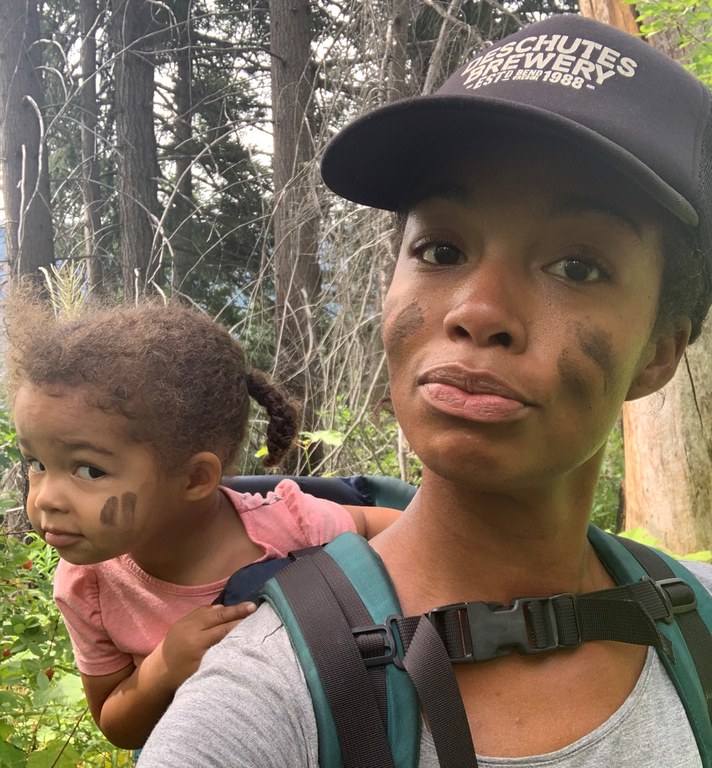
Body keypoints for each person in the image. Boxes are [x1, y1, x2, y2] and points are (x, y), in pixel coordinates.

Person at [137, 13, 712, 767]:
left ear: (661, 351)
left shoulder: (697, 626)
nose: (477, 310)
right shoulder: (267, 700)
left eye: (577, 266)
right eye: (442, 249)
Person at [4, 295, 400, 750]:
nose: (45, 498)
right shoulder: (87, 585)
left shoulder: (287, 526)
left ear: (194, 478)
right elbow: (116, 726)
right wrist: (163, 669)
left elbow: (391, 526)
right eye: (35, 462)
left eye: (88, 470)